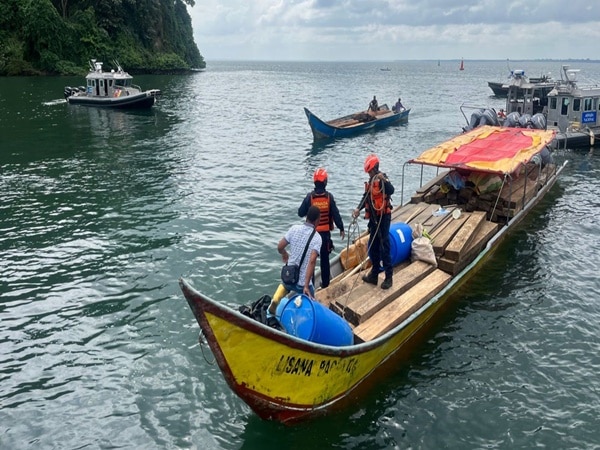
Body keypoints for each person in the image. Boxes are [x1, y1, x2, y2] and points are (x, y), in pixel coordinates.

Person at [352, 153, 395, 290]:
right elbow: (366, 196)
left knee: (384, 246)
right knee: (374, 246)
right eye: (368, 172)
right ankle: (374, 274)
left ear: (375, 168)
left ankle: (389, 277)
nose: (369, 174)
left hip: (383, 218)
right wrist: (358, 209)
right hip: (374, 220)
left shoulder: (382, 178)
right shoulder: (371, 181)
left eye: (370, 171)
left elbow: (391, 190)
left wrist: (385, 181)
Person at [298, 168, 346, 288]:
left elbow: (300, 212)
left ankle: (311, 286)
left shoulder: (309, 197)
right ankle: (325, 285)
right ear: (325, 182)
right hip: (325, 235)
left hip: (312, 235)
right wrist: (341, 228)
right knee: (325, 261)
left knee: (311, 262)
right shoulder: (329, 197)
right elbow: (336, 215)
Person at [277, 205, 323, 298]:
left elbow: (280, 246)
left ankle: (277, 298)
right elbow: (312, 261)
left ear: (306, 216)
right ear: (317, 220)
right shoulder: (317, 238)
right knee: (311, 302)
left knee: (284, 287)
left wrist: (284, 253)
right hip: (302, 283)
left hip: (289, 276)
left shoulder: (294, 229)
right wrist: (306, 286)